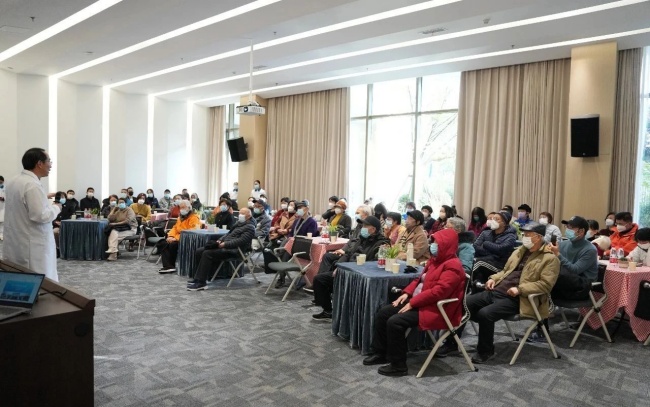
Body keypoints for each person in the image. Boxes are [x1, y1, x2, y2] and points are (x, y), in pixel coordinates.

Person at [440, 222, 560, 363]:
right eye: (524, 234)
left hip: (520, 298)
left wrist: (520, 289)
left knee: (485, 314)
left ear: (538, 237)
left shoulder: (549, 258)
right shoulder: (519, 251)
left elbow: (545, 285)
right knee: (464, 303)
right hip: (498, 290)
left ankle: (486, 351)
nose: (524, 237)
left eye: (528, 234)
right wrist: (493, 279)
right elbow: (505, 271)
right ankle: (452, 343)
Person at [362, 228, 465, 376]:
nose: (433, 246)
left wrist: (413, 302)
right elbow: (418, 280)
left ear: (446, 245)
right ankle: (381, 352)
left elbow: (439, 292)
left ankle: (398, 365)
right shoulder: (434, 261)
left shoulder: (453, 266)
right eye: (433, 242)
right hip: (421, 302)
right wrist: (407, 293)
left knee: (395, 322)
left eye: (437, 243)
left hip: (438, 309)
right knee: (384, 313)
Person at [311, 216, 390, 320]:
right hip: (347, 270)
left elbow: (374, 263)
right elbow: (348, 254)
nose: (362, 228)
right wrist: (339, 266)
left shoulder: (382, 243)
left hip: (360, 274)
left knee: (324, 280)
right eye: (362, 225)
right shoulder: (361, 239)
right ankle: (328, 310)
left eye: (365, 226)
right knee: (319, 279)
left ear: (373, 229)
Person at [3, 148, 61, 280]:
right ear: (39, 163)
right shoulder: (32, 185)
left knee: (17, 278)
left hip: (16, 241)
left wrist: (43, 197)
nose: (50, 165)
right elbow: (41, 216)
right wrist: (56, 207)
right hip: (33, 245)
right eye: (49, 161)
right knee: (39, 281)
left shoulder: (14, 181)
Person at [187, 208, 255, 291]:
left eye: (243, 214)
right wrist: (219, 240)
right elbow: (228, 234)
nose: (240, 215)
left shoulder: (250, 227)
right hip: (226, 247)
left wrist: (225, 244)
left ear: (249, 216)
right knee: (199, 251)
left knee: (207, 253)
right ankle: (198, 278)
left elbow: (241, 241)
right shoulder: (238, 224)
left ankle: (201, 283)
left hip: (235, 251)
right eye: (240, 213)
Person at [549, 216, 598, 301]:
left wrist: (557, 254)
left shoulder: (590, 250)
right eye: (567, 227)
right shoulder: (564, 244)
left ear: (581, 231)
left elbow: (575, 270)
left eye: (571, 228)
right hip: (566, 280)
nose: (567, 230)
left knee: (553, 277)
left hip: (582, 285)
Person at [471, 211, 517, 291]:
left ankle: (470, 285)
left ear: (504, 223)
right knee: (474, 261)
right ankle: (477, 284)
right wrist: (491, 253)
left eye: (497, 219)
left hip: (499, 264)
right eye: (493, 218)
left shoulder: (510, 237)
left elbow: (500, 250)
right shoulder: (485, 233)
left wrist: (486, 243)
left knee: (478, 262)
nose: (493, 221)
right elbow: (475, 246)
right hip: (485, 259)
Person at [157, 200, 201, 274]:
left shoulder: (194, 217)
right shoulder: (180, 217)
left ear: (189, 207)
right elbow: (175, 228)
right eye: (180, 208)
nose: (181, 209)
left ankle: (170, 265)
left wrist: (176, 238)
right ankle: (168, 266)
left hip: (186, 239)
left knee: (172, 245)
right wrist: (170, 236)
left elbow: (191, 231)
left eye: (183, 207)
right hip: (176, 237)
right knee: (162, 242)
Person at [0, 175, 4, 240]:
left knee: (2, 222)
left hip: (2, 207)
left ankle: (1, 235)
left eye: (1, 182)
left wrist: (3, 198)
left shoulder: (5, 188)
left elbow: (7, 197)